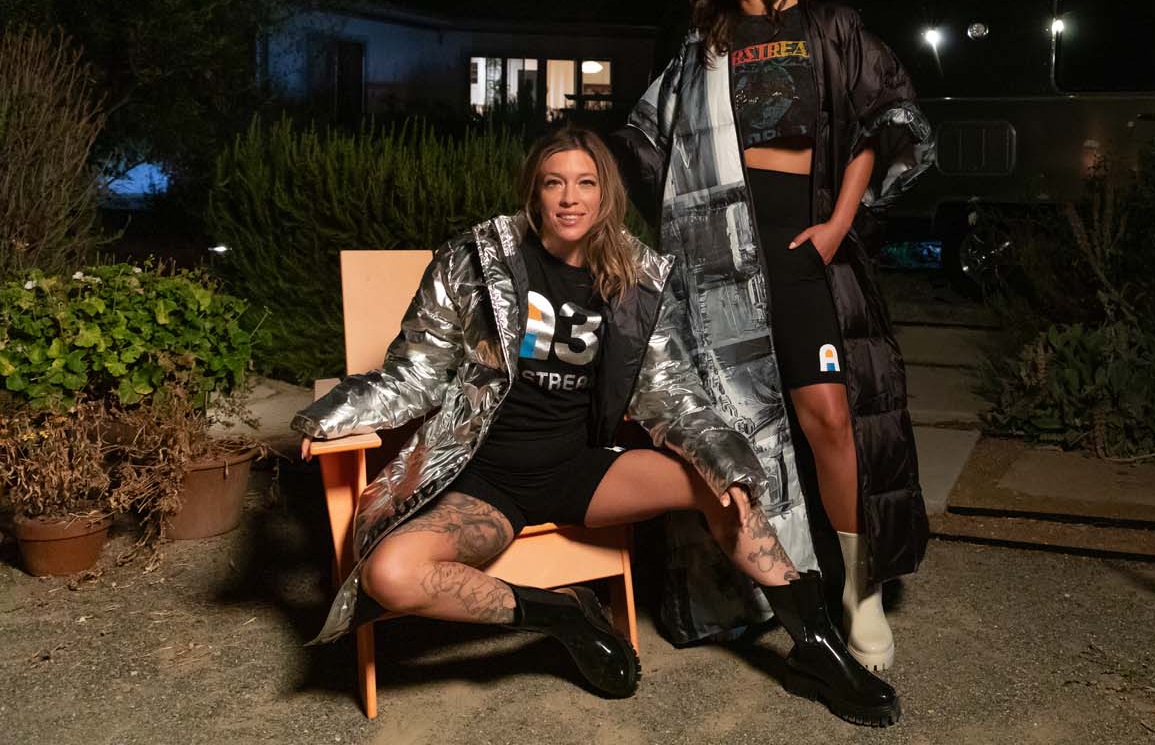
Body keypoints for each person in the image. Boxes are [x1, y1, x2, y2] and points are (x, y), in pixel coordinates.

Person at [293, 125, 900, 726]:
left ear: (606, 194)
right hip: (485, 482)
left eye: (585, 183)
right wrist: (327, 416)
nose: (569, 198)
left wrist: (724, 457)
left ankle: (815, 645)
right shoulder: (477, 260)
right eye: (553, 183)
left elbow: (673, 396)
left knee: (722, 483)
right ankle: (561, 615)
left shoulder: (634, 278)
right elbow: (415, 373)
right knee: (391, 575)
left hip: (582, 469)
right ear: (534, 191)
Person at [611, 0, 935, 672]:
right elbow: (647, 140)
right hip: (720, 256)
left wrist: (837, 226)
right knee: (743, 422)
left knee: (829, 416)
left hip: (804, 242)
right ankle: (781, 582)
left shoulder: (830, 26)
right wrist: (585, 172)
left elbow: (876, 121)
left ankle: (859, 590)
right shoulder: (704, 47)